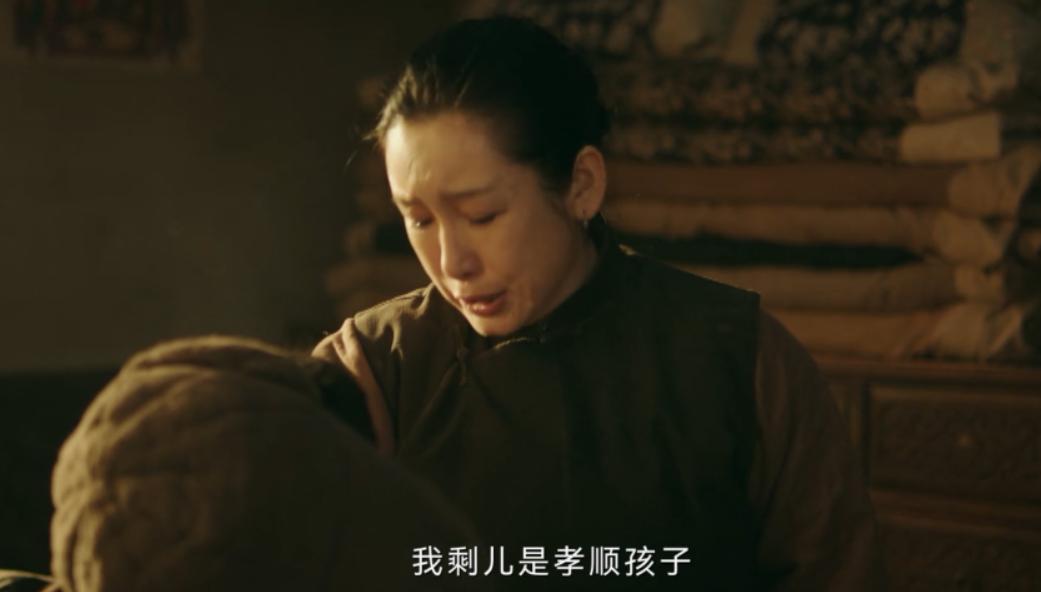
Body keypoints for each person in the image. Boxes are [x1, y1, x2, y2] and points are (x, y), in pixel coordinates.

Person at [314, 16, 886, 591]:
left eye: (482, 215)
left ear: (582, 185)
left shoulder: (739, 357)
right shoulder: (374, 369)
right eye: (419, 219)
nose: (451, 261)